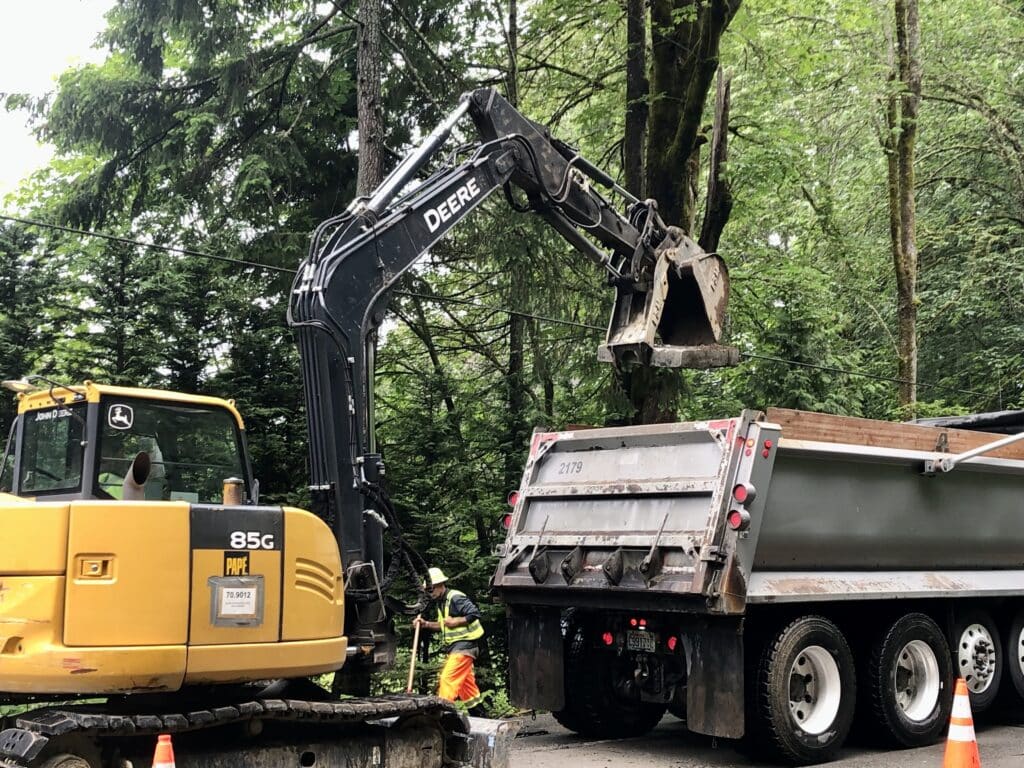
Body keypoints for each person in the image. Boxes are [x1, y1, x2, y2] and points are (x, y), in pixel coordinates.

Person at [413, 567, 486, 714]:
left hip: (466, 645)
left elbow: (474, 613)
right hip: (457, 646)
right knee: (467, 688)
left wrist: (457, 621)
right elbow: (444, 625)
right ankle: (481, 717)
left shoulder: (455, 598)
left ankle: (441, 716)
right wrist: (426, 624)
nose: (430, 593)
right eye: (427, 590)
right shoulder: (442, 601)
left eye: (431, 589)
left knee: (447, 679)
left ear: (440, 585)